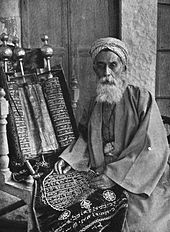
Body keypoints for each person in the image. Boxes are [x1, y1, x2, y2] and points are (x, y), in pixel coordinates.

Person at [54, 37, 170, 232]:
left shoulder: (141, 97)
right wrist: (70, 157)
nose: (107, 73)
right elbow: (85, 136)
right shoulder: (94, 102)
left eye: (113, 65)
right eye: (101, 66)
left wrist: (114, 177)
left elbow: (153, 148)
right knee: (71, 215)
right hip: (101, 172)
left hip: (141, 178)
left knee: (142, 224)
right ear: (94, 69)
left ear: (123, 67)